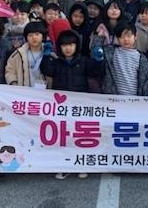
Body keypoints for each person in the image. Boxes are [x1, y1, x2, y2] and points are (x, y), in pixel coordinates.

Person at [40, 30, 104, 180]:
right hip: (62, 107)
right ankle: (64, 165)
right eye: (64, 45)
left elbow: (96, 72)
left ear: (77, 46)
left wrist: (98, 60)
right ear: (60, 47)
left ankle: (82, 164)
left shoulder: (84, 61)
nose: (68, 48)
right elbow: (46, 70)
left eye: (71, 45)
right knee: (64, 137)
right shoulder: (57, 62)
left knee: (80, 136)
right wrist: (46, 56)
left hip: (80, 106)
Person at [101, 21, 148, 96]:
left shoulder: (145, 61)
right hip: (113, 99)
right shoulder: (109, 53)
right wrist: (99, 37)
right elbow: (96, 53)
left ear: (135, 36)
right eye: (122, 36)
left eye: (129, 36)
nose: (126, 39)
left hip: (134, 100)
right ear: (117, 38)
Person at [5, 21, 50, 87]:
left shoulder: (49, 54)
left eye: (37, 34)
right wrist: (13, 83)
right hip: (23, 90)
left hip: (44, 91)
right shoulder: (18, 54)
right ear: (26, 38)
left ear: (43, 36)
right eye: (30, 35)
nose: (34, 37)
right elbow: (10, 70)